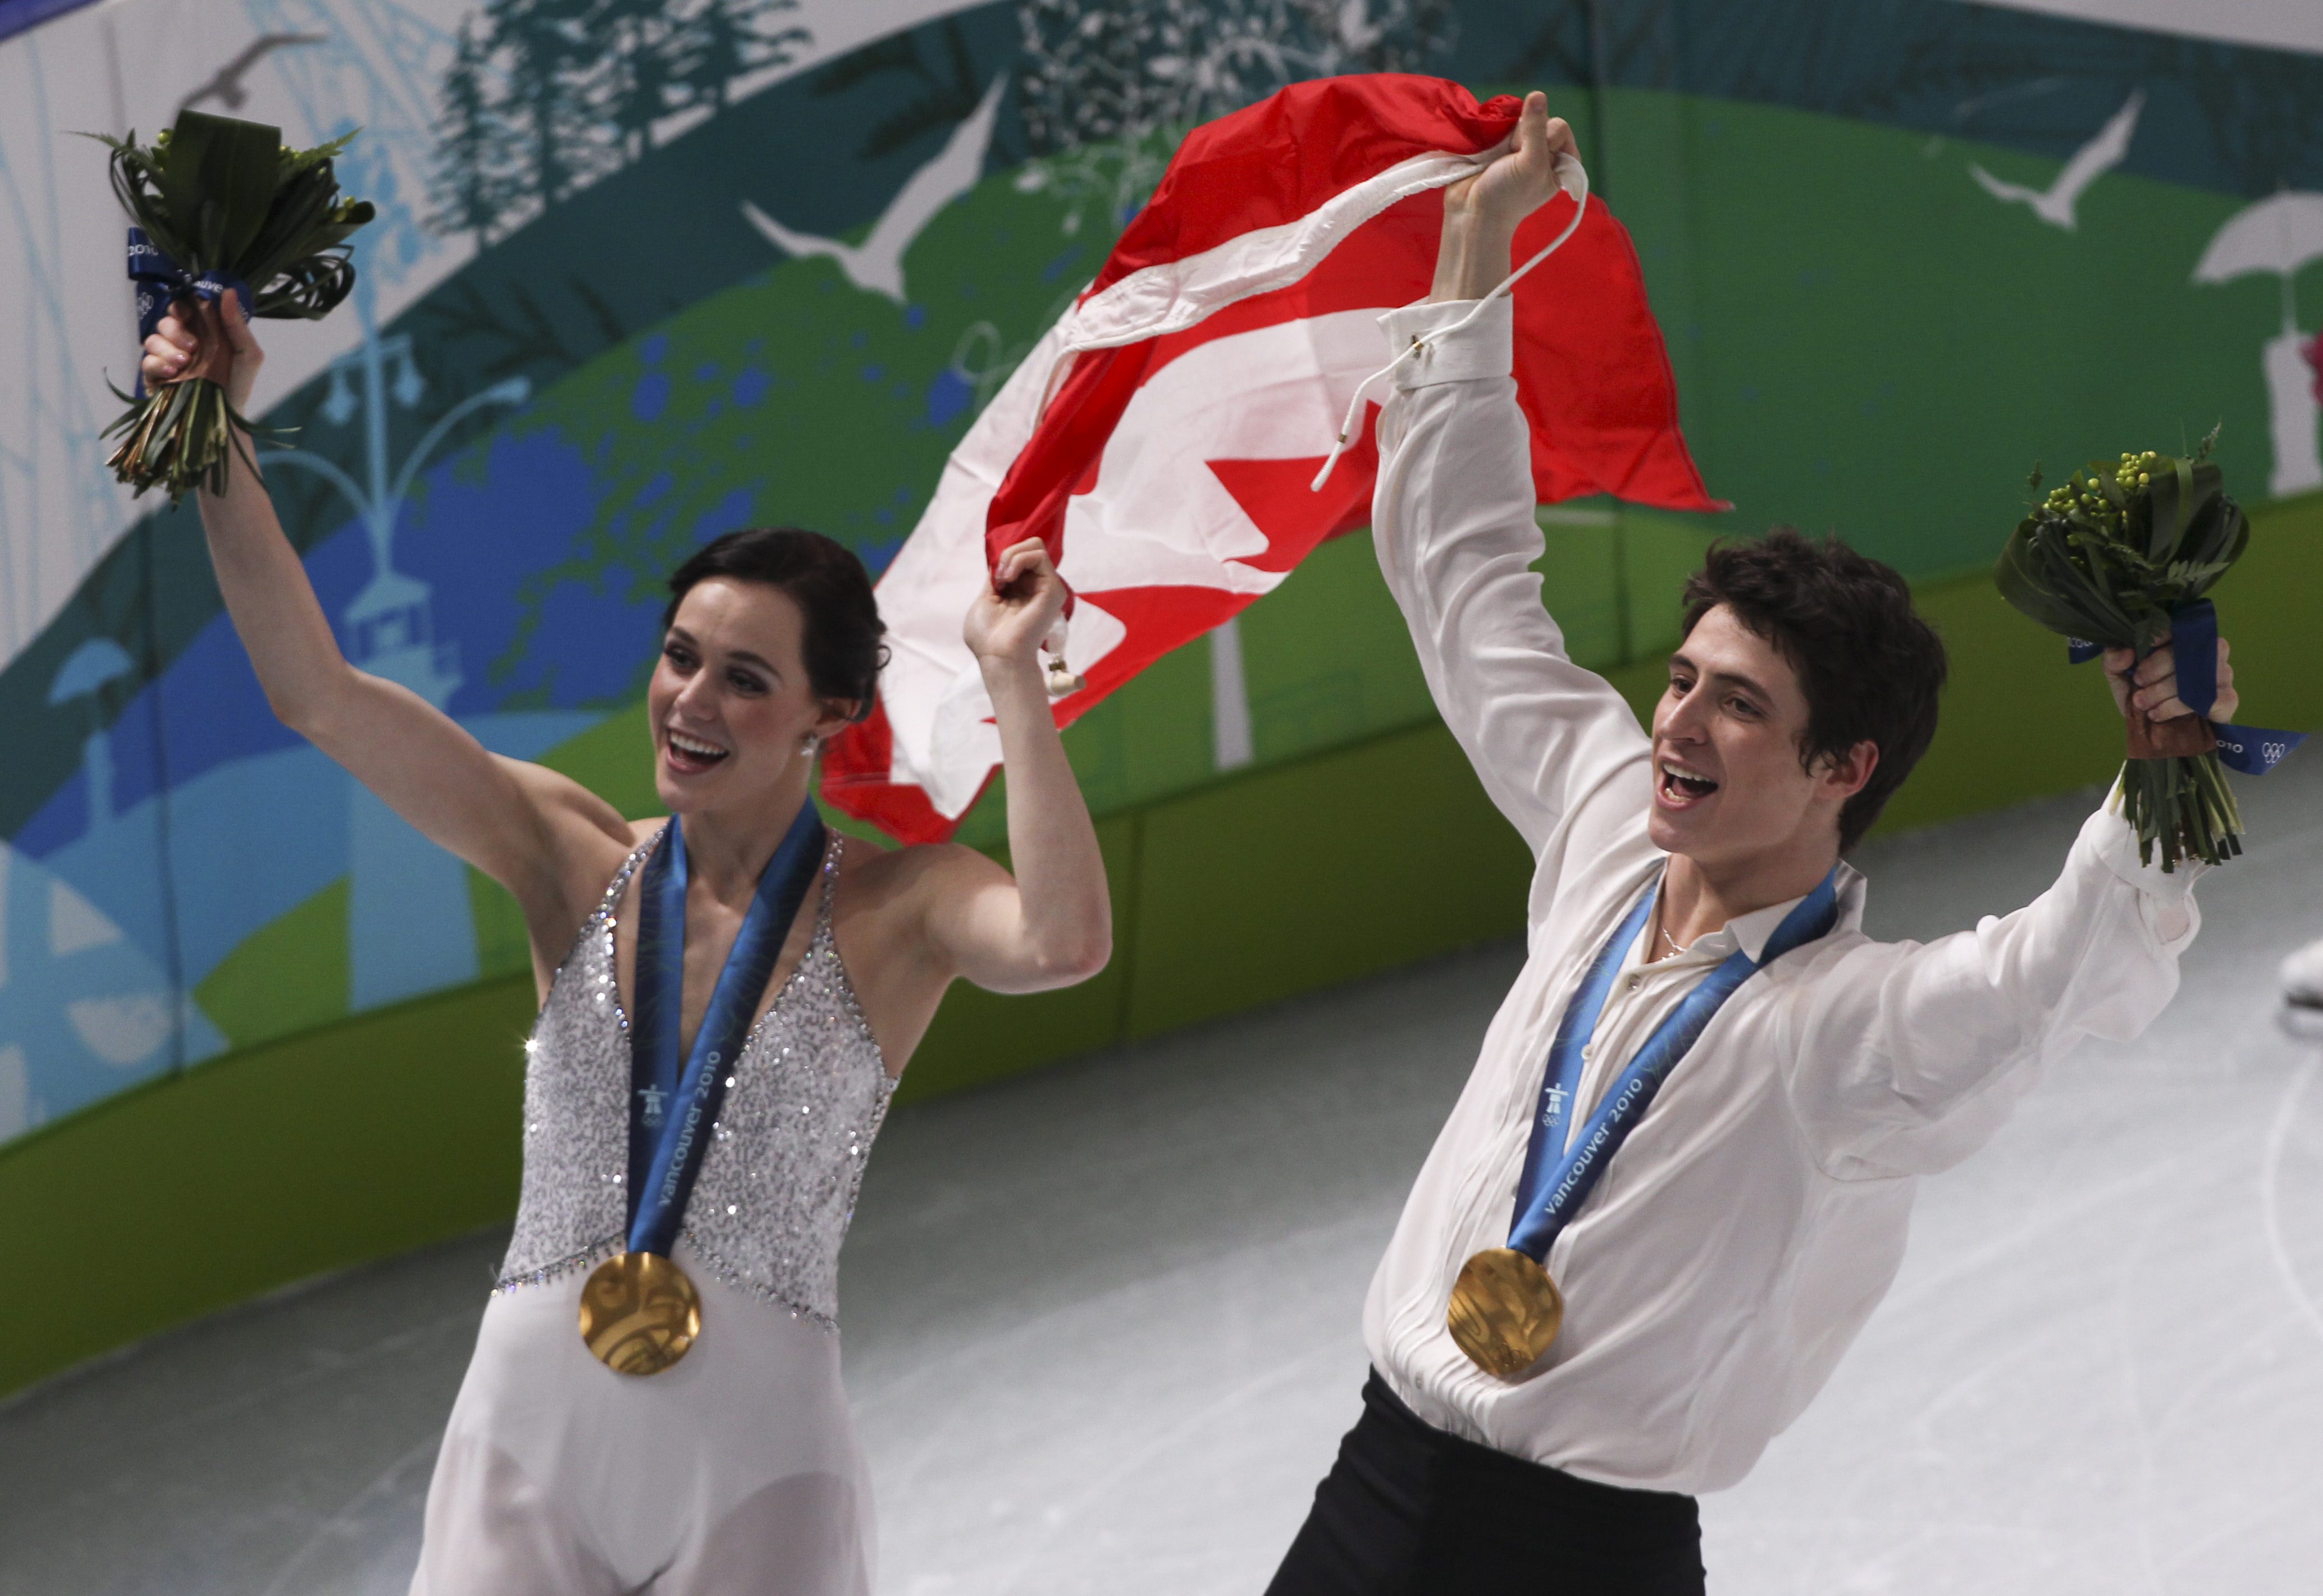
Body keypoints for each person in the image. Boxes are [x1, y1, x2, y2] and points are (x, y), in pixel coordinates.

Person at [1263, 93, 2232, 1595]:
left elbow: (2075, 964)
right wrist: (1474, 241)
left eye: (1736, 708)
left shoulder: (1848, 1029)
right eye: (1678, 681)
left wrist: (2169, 756)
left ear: (1842, 767)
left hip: (1578, 1557)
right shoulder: (1602, 836)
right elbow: (1469, 587)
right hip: (1374, 1482)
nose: (1676, 726)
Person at [142, 298, 1110, 1595]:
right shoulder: (567, 856)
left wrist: (1012, 681)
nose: (691, 703)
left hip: (758, 1474)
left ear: (828, 714)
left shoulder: (900, 908)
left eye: (744, 680)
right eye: (679, 658)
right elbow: (315, 694)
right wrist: (217, 441)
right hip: (523, 1449)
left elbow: (1061, 942)